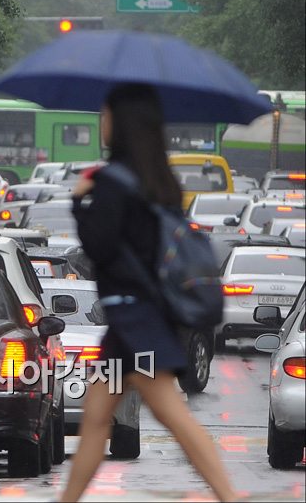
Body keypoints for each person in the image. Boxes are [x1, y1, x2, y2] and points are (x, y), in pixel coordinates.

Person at [59, 83, 237, 503]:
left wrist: (79, 203)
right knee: (97, 420)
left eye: (104, 115)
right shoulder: (156, 179)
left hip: (135, 318)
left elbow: (99, 248)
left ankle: (230, 496)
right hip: (133, 318)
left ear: (120, 124)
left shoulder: (114, 181)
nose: (101, 123)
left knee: (170, 414)